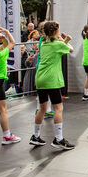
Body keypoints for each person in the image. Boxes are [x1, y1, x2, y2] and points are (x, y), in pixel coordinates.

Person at [31, 21, 75, 150]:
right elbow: (70, 49)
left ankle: (35, 135)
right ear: (56, 31)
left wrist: (62, 40)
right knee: (58, 109)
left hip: (40, 78)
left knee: (42, 108)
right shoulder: (57, 44)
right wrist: (65, 39)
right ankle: (59, 139)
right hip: (52, 80)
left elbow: (60, 47)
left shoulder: (44, 43)